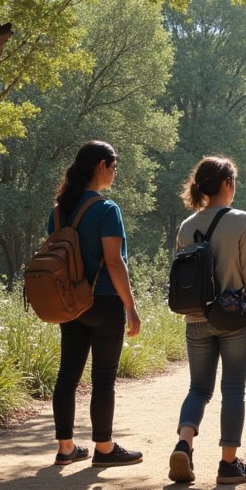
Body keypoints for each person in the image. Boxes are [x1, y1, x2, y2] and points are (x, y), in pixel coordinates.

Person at [169, 156, 246, 485]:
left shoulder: (185, 226)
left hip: (196, 319)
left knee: (198, 387)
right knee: (233, 388)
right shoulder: (240, 220)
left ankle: (184, 443)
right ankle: (228, 464)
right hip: (234, 318)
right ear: (227, 184)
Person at [49, 140, 143, 468]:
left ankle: (65, 448)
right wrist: (130, 307)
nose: (115, 173)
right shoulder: (107, 210)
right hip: (103, 303)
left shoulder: (60, 211)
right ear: (101, 166)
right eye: (114, 166)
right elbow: (114, 263)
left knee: (67, 375)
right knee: (103, 377)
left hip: (69, 303)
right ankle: (103, 447)